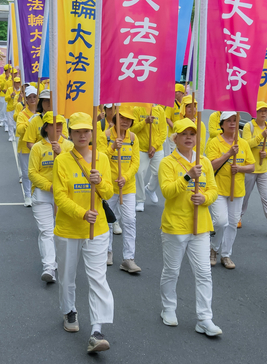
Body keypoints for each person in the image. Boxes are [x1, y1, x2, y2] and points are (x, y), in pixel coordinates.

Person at [52, 112, 114, 354]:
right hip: (69, 229)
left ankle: (97, 330)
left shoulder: (102, 159)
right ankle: (69, 310)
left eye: (86, 131)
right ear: (70, 132)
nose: (82, 135)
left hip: (97, 229)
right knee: (67, 276)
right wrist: (81, 213)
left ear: (92, 133)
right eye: (77, 131)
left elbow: (108, 193)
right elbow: (59, 197)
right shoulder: (62, 161)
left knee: (98, 278)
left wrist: (99, 182)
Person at [158, 118, 222, 336]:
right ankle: (168, 308)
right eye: (183, 134)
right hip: (175, 226)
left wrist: (204, 198)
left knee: (204, 273)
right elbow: (167, 191)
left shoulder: (203, 161)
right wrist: (187, 177)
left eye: (192, 134)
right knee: (172, 270)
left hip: (200, 226)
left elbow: (213, 189)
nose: (188, 138)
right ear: (174, 138)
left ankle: (204, 318)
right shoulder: (168, 162)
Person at [205, 112, 255, 269]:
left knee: (233, 223)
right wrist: (228, 154)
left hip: (237, 191)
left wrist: (239, 168)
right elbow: (211, 166)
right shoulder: (214, 142)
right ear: (222, 124)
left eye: (235, 120)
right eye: (228, 121)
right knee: (220, 221)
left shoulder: (243, 143)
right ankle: (213, 248)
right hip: (218, 189)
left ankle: (226, 255)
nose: (232, 123)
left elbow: (252, 166)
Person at [28, 111, 72, 282]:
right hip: (42, 195)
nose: (58, 128)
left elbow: (72, 170)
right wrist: (49, 186)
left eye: (61, 124)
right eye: (54, 124)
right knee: (46, 231)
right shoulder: (38, 148)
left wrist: (60, 154)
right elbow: (32, 173)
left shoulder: (68, 146)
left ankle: (62, 263)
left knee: (62, 233)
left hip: (63, 196)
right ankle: (49, 267)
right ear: (46, 128)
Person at [104, 104, 141, 273]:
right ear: (115, 119)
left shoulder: (133, 138)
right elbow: (99, 158)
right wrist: (112, 148)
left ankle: (128, 258)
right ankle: (107, 252)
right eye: (122, 118)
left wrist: (125, 178)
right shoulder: (105, 136)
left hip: (127, 187)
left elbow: (135, 162)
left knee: (130, 221)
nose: (125, 121)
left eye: (128, 119)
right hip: (107, 187)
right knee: (108, 221)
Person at [241, 102, 267, 236]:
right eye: (260, 111)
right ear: (254, 113)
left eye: (266, 111)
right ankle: (237, 217)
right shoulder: (249, 126)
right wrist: (260, 137)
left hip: (265, 169)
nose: (263, 113)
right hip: (250, 168)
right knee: (244, 196)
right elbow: (245, 144)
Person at [131, 104, 167, 212]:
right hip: (141, 149)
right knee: (139, 173)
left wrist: (154, 146)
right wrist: (145, 122)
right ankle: (140, 200)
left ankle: (150, 189)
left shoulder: (159, 110)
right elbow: (132, 129)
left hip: (157, 149)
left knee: (159, 172)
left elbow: (163, 132)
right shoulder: (137, 109)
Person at [15, 85, 37, 206]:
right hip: (25, 148)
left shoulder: (42, 113)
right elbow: (19, 130)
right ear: (26, 100)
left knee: (38, 172)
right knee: (26, 173)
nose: (32, 99)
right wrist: (30, 121)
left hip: (39, 147)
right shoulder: (23, 114)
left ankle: (36, 194)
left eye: (35, 96)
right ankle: (27, 195)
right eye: (30, 97)